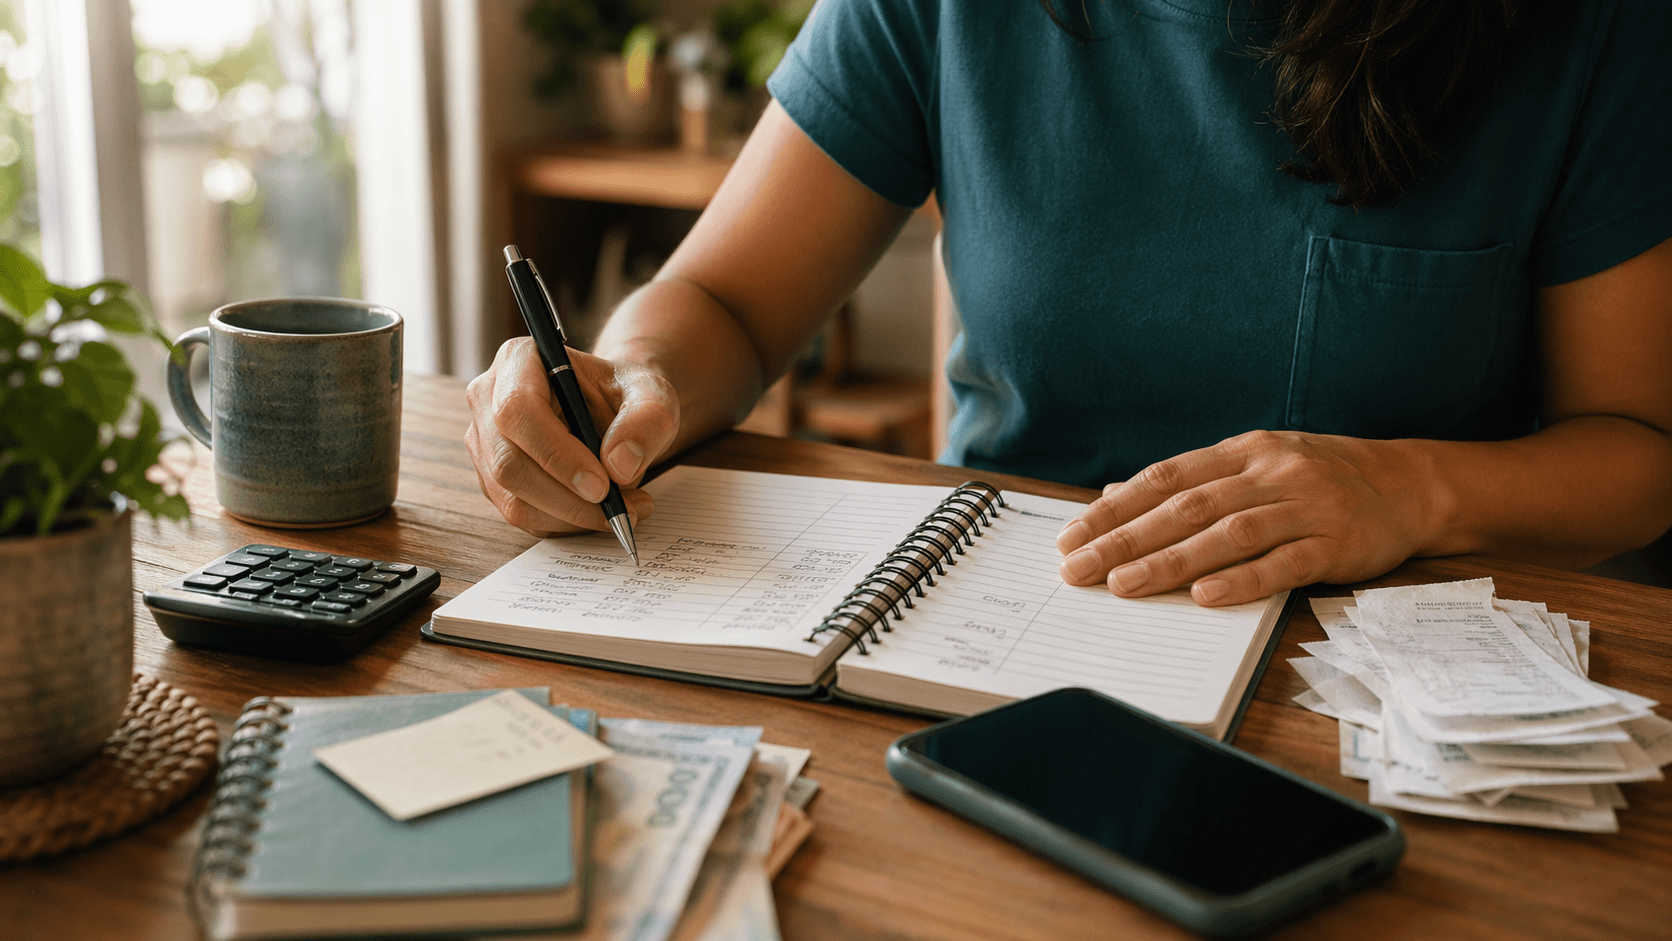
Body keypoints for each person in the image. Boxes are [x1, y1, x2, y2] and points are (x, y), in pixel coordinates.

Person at [467, 0, 1672, 608]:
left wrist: (1409, 489)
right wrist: (633, 380)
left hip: (1387, 670)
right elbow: (723, 300)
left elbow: (1639, 450)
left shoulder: (1597, 29)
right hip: (994, 626)